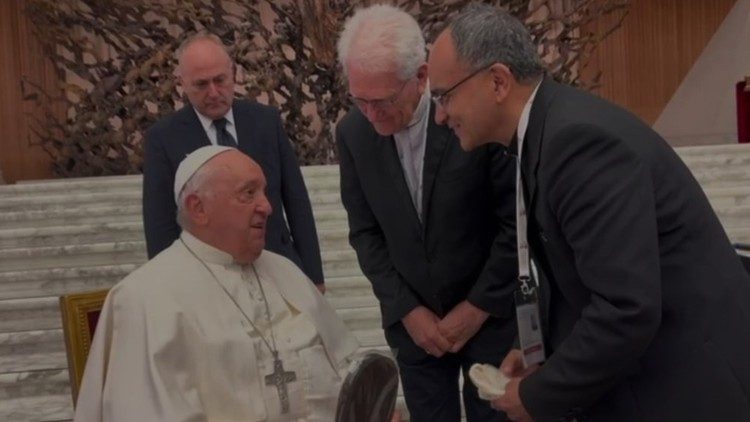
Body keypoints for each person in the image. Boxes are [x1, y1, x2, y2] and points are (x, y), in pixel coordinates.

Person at [428, 3, 750, 421]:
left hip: (684, 388)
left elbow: (625, 307)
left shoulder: (576, 143)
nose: (439, 116)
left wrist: (538, 394)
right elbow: (577, 271)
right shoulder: (545, 132)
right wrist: (540, 349)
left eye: (444, 96)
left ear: (497, 81)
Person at [75, 146, 360, 421]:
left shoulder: (285, 270)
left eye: (264, 191)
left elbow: (346, 372)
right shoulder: (145, 297)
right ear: (198, 208)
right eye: (248, 193)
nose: (268, 206)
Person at [336, 5, 518, 421]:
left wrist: (475, 310)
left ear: (420, 77)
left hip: (488, 318)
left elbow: (513, 222)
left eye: (381, 100)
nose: (370, 114)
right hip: (414, 327)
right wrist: (409, 311)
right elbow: (365, 233)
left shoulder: (472, 117)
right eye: (358, 99)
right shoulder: (352, 133)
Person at [142, 32, 325, 291]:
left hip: (278, 267)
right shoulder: (163, 138)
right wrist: (169, 289)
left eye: (220, 80)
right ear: (181, 82)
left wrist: (314, 276)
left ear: (234, 72)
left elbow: (296, 201)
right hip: (207, 281)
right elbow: (159, 224)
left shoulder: (266, 121)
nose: (214, 92)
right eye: (201, 84)